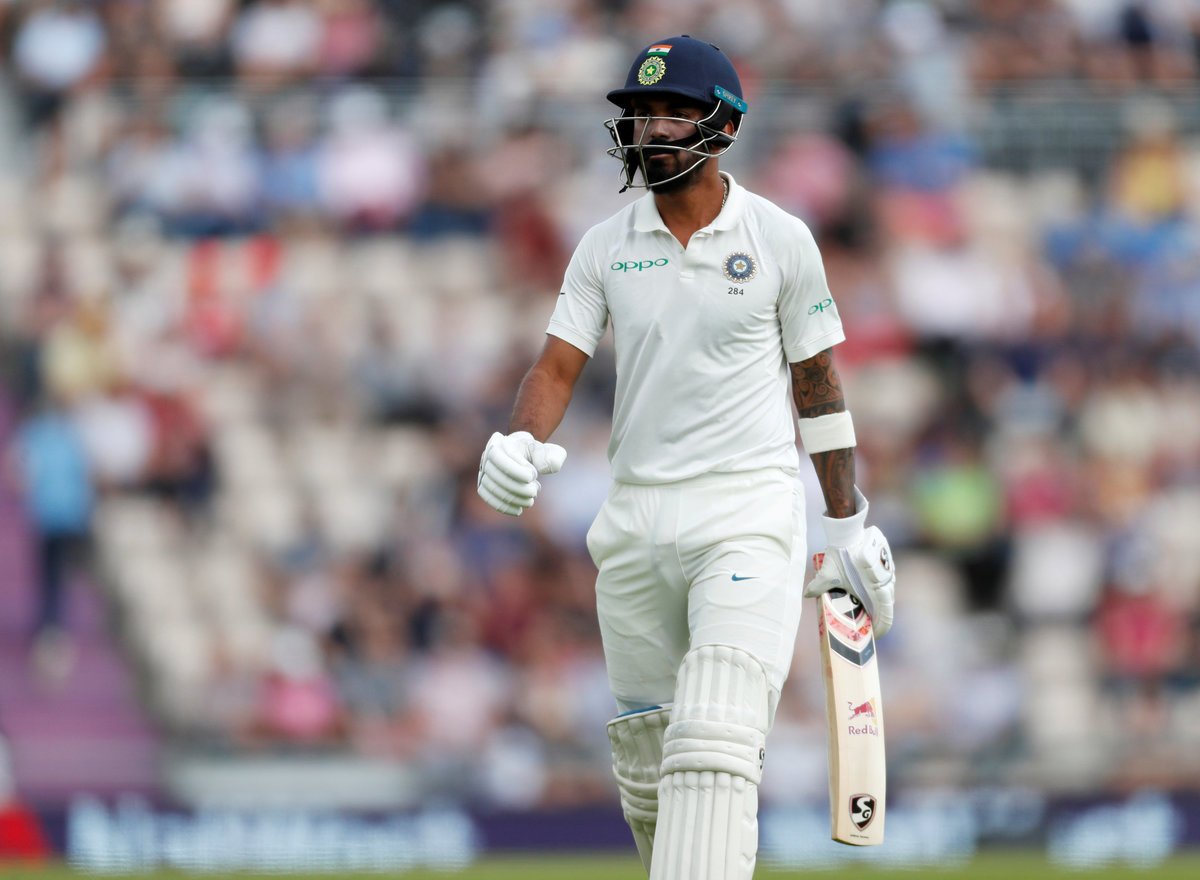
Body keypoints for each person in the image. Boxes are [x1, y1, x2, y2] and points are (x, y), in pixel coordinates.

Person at [476, 35, 896, 879]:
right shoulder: (604, 245)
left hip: (746, 509)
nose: (653, 128)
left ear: (725, 126)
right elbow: (555, 366)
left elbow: (818, 387)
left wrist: (846, 524)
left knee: (713, 737)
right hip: (634, 518)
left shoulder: (780, 238)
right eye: (641, 114)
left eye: (675, 111)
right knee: (652, 770)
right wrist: (520, 438)